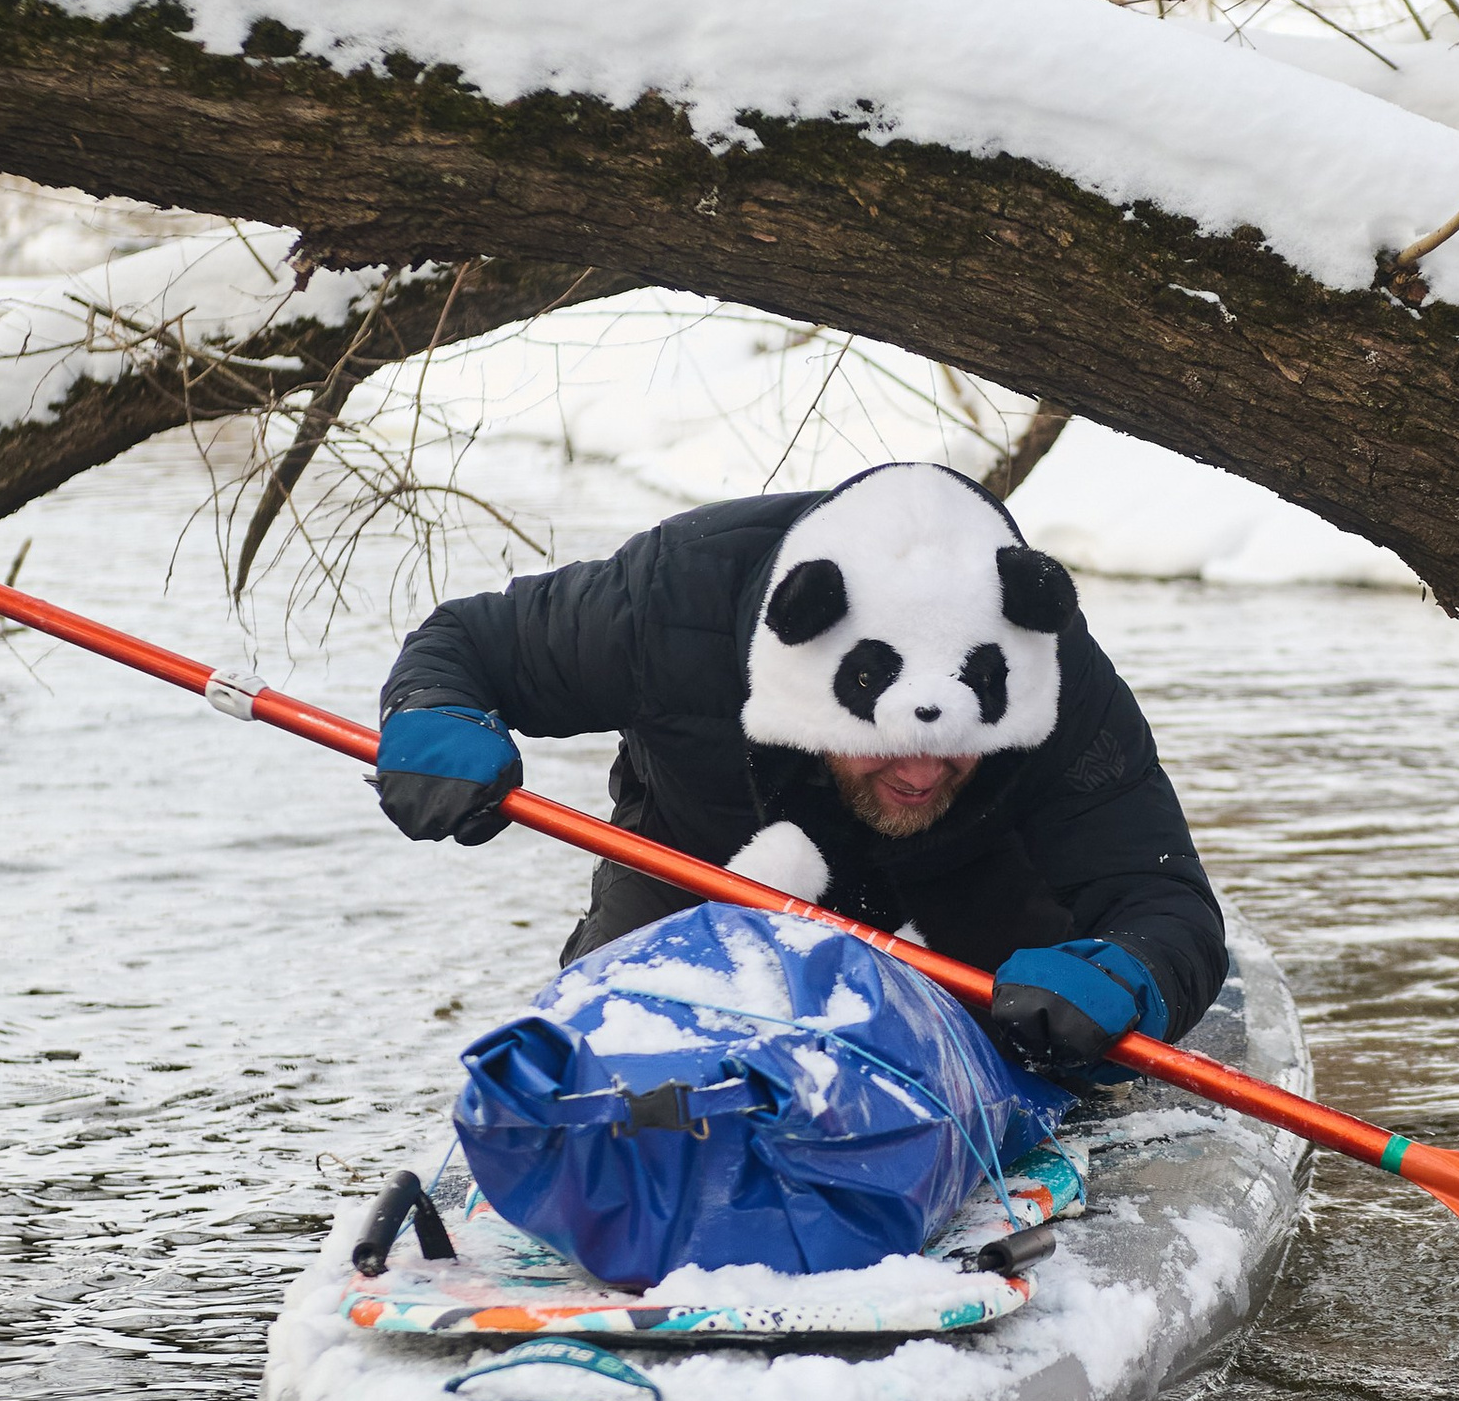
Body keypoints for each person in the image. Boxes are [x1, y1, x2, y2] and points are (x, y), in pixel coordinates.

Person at [372, 459, 1225, 1075]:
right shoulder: (673, 595)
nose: (923, 776)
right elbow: (469, 645)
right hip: (699, 875)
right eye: (890, 749)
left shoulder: (1050, 667)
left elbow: (1161, 894)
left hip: (971, 925)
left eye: (950, 750)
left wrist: (1127, 971)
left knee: (1057, 1047)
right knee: (604, 1052)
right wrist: (438, 720)